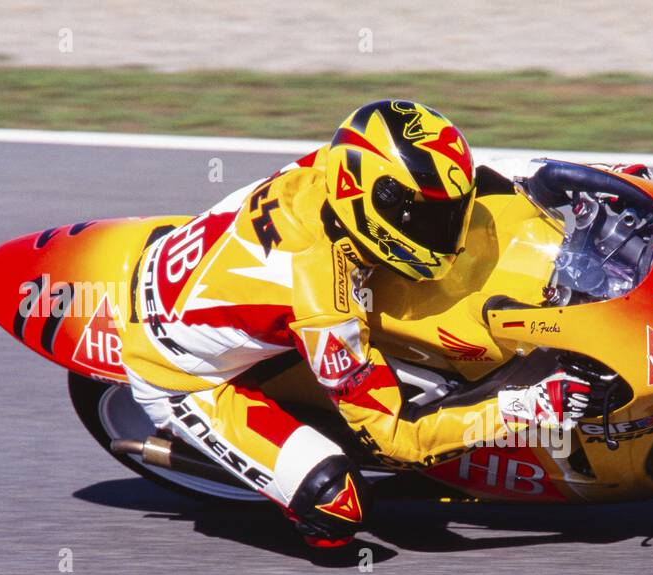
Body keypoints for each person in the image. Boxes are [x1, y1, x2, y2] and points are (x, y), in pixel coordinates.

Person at [118, 100, 593, 547]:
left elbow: (465, 172)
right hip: (183, 378)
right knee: (337, 506)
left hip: (194, 269)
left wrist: (577, 182)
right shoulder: (324, 305)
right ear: (379, 208)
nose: (449, 231)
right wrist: (528, 407)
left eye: (452, 213)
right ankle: (285, 495)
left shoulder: (344, 161)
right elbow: (396, 440)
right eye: (432, 219)